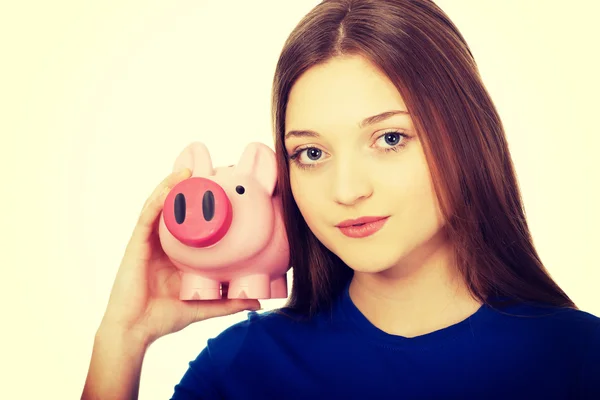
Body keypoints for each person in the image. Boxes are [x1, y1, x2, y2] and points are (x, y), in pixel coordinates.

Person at [81, 0, 600, 399]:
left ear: (465, 135)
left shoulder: (579, 359)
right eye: (310, 152)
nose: (346, 190)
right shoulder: (242, 367)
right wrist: (122, 338)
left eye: (390, 139)